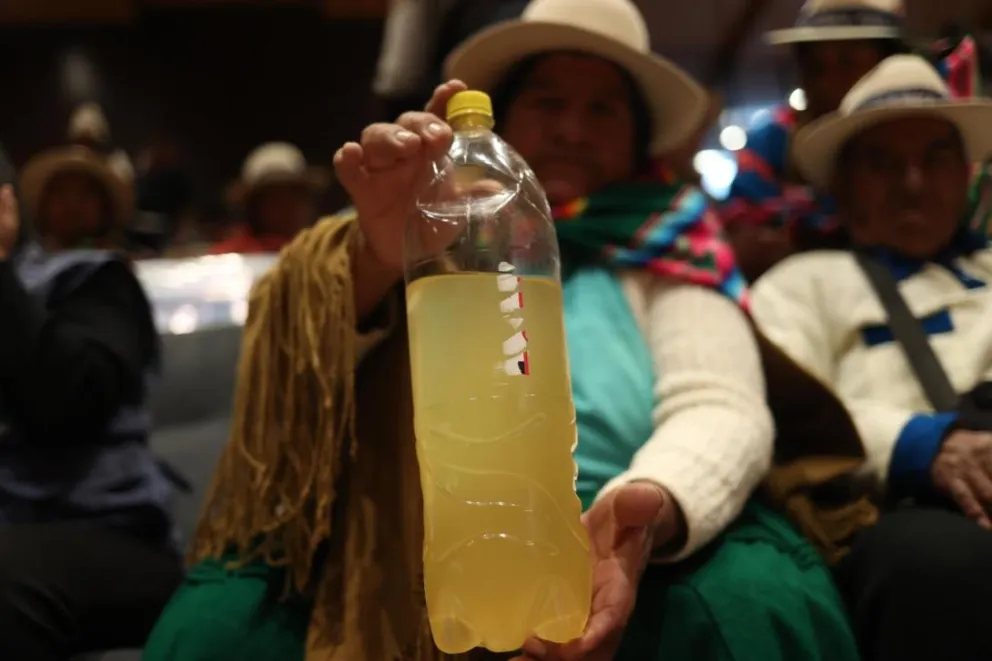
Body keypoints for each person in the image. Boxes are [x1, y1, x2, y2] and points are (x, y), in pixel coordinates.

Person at [144, 0, 860, 660]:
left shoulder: (672, 243)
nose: (573, 127)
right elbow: (287, 355)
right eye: (549, 102)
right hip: (405, 517)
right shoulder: (402, 219)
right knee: (216, 626)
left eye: (603, 109)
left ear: (638, 137)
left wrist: (651, 502)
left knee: (754, 604)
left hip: (621, 505)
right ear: (503, 118)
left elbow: (721, 402)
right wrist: (383, 251)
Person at [751, 54, 992, 661]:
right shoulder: (802, 283)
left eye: (934, 158)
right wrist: (921, 446)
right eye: (882, 163)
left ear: (964, 175)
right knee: (935, 564)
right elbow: (786, 410)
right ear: (842, 186)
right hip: (905, 508)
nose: (912, 181)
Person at [0, 144, 183, 658]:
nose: (74, 205)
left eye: (87, 194)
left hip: (112, 534)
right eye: (61, 193)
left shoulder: (104, 282)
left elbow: (68, 402)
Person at [722, 0, 909, 281]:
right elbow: (742, 239)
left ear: (888, 64)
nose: (827, 80)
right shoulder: (769, 141)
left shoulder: (916, 139)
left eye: (847, 62)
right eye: (816, 66)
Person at [210, 142, 329, 255]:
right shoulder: (230, 258)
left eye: (295, 196)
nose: (287, 207)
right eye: (275, 199)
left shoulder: (325, 252)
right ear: (254, 207)